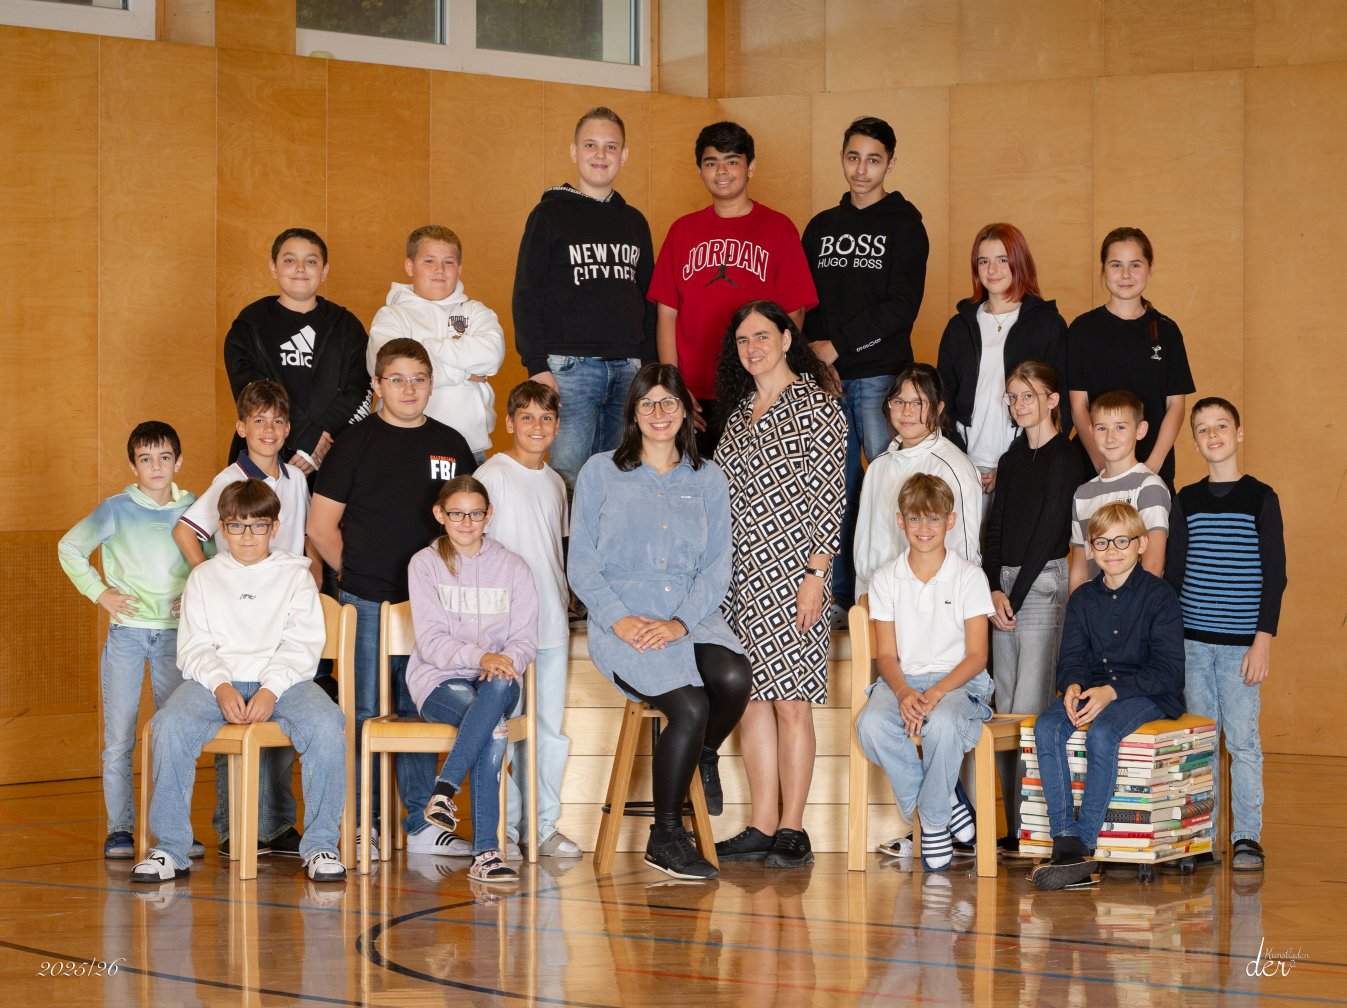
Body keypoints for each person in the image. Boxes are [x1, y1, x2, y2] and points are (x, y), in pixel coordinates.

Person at [568, 363, 752, 880]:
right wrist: (618, 619)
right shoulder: (600, 471)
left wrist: (681, 623)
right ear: (633, 412)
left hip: (690, 615)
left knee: (734, 676)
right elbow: (581, 564)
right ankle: (665, 836)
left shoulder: (708, 477)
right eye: (647, 402)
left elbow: (717, 567)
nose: (658, 412)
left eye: (668, 401)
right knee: (690, 706)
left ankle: (703, 754)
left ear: (685, 412)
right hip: (624, 619)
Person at [308, 337, 477, 860]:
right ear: (377, 385)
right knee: (364, 712)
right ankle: (365, 823)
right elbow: (320, 526)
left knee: (419, 711)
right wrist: (358, 577)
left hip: (434, 611)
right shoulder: (354, 443)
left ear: (431, 384)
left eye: (418, 379)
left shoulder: (451, 444)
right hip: (368, 604)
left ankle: (422, 824)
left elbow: (466, 525)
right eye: (397, 380)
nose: (409, 389)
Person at [132, 479, 347, 884]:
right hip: (215, 684)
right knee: (169, 724)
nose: (247, 536)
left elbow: (302, 644)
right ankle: (171, 849)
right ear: (221, 528)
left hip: (285, 684)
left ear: (274, 527)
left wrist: (271, 689)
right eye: (236, 525)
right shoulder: (204, 577)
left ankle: (321, 846)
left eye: (258, 525)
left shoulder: (295, 575)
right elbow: (194, 645)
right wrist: (220, 685)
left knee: (327, 723)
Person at [711, 301, 846, 870]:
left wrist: (817, 573)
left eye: (762, 336)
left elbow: (830, 495)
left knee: (791, 703)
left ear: (788, 339)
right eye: (743, 340)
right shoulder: (740, 411)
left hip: (794, 574)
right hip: (740, 578)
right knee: (751, 703)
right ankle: (762, 823)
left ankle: (793, 827)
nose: (752, 348)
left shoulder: (819, 405)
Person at [173, 380, 317, 858]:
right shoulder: (229, 479)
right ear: (241, 428)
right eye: (258, 421)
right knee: (232, 712)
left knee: (280, 710)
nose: (269, 430)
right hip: (239, 615)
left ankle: (275, 825)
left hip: (284, 607)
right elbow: (186, 532)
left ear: (288, 428)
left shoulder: (297, 479)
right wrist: (213, 579)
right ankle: (234, 825)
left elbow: (304, 538)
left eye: (277, 421)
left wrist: (311, 580)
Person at [802, 115, 929, 613]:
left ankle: (890, 596)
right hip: (827, 379)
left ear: (890, 164)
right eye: (853, 157)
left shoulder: (905, 225)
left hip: (881, 376)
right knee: (834, 490)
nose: (861, 169)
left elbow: (901, 308)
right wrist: (818, 361)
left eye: (873, 160)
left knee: (889, 487)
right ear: (842, 158)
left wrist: (838, 348)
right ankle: (837, 595)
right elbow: (807, 305)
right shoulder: (821, 227)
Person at [57, 421, 197, 861]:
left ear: (178, 461)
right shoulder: (116, 509)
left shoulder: (194, 509)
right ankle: (120, 829)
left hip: (175, 637)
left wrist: (194, 595)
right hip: (127, 635)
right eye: (145, 459)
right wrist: (100, 593)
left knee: (174, 735)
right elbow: (69, 547)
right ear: (133, 466)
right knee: (119, 738)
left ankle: (172, 831)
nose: (156, 467)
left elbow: (213, 563)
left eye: (164, 457)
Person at [1029, 501, 1185, 891]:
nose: (1112, 550)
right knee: (1046, 726)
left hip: (1146, 692)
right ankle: (1065, 841)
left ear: (1141, 544)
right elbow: (1071, 657)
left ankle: (1085, 844)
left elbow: (1168, 670)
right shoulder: (1083, 598)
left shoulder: (1160, 596)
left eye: (1122, 541)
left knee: (1102, 734)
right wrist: (1073, 685)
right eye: (1102, 542)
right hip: (1094, 689)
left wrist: (1111, 692)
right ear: (1090, 549)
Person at [1166, 398, 1286, 872]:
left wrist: (1263, 640)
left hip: (1241, 648)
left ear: (1238, 433)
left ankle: (1246, 837)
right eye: (1202, 429)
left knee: (1242, 743)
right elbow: (1175, 574)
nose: (1212, 434)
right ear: (1194, 442)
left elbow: (1274, 575)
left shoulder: (1261, 498)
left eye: (1221, 426)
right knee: (1199, 742)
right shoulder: (1187, 500)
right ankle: (1199, 838)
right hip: (1192, 644)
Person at [648, 121, 818, 456]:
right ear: (700, 170)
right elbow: (667, 313)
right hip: (694, 393)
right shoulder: (682, 231)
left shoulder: (779, 228)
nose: (721, 171)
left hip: (755, 386)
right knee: (692, 477)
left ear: (750, 166)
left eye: (732, 161)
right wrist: (673, 384)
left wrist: (770, 379)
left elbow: (794, 312)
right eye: (711, 162)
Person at [854, 473, 994, 872]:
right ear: (901, 521)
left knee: (943, 724)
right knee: (871, 725)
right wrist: (902, 693)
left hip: (959, 680)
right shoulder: (885, 579)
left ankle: (931, 824)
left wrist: (934, 694)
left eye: (933, 519)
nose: (924, 528)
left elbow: (976, 656)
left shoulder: (969, 576)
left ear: (950, 521)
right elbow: (886, 655)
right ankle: (946, 800)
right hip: (904, 680)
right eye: (915, 519)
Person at [512, 106, 655, 493]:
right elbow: (527, 293)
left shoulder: (634, 222)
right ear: (574, 152)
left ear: (624, 155)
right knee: (568, 476)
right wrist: (537, 365)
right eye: (591, 145)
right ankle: (567, 538)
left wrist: (649, 367)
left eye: (611, 146)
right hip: (569, 368)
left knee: (623, 475)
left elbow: (648, 300)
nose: (600, 155)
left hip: (628, 369)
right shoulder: (548, 215)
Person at [406, 476, 539, 883]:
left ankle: (444, 790)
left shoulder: (514, 567)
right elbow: (431, 642)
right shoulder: (425, 564)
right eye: (457, 514)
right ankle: (487, 853)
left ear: (488, 515)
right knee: (493, 728)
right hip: (439, 680)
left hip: (499, 679)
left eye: (475, 514)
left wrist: (501, 661)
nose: (466, 523)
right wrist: (481, 656)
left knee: (496, 692)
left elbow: (525, 639)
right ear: (440, 514)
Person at [475, 381, 579, 859]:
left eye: (546, 418)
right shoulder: (492, 475)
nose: (537, 426)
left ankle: (542, 825)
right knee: (504, 728)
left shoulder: (556, 483)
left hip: (551, 624)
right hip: (502, 631)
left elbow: (553, 551)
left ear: (557, 425)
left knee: (548, 731)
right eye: (527, 417)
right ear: (509, 422)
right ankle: (506, 826)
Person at [982, 361, 1079, 847]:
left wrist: (1013, 597)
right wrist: (993, 589)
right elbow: (995, 528)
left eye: (1028, 395)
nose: (1019, 405)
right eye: (1013, 397)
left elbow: (1048, 532)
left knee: (1030, 709)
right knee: (1004, 711)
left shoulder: (1066, 457)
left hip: (1040, 586)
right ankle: (1014, 828)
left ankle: (1034, 827)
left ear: (1053, 399)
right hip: (1004, 589)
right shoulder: (1012, 458)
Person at [222, 227, 371, 474]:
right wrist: (306, 437)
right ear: (274, 268)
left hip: (332, 456)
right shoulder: (249, 325)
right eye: (290, 260)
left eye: (311, 261)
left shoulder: (347, 326)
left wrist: (320, 443)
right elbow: (250, 391)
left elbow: (360, 390)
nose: (300, 268)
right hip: (264, 455)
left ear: (324, 271)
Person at [937, 223, 1067, 499]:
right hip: (964, 463)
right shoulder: (959, 326)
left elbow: (1059, 401)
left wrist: (1014, 461)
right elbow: (943, 398)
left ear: (1019, 262)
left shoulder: (1048, 324)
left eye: (1002, 260)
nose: (992, 269)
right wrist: (958, 459)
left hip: (1025, 460)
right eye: (983, 261)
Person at [1068, 227, 1195, 489]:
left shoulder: (1166, 331)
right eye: (1116, 265)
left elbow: (1176, 406)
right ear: (1103, 269)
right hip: (1094, 471)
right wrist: (1103, 468)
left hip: (1152, 468)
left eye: (1135, 265)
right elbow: (1079, 405)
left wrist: (1150, 469)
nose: (1125, 274)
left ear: (1149, 269)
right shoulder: (1082, 329)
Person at [367, 225, 504, 461]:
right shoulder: (391, 316)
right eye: (429, 261)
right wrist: (465, 372)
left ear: (459, 269)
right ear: (410, 266)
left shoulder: (476, 312)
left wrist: (427, 347)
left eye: (448, 262)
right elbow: (389, 372)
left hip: (470, 448)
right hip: (402, 445)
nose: (439, 269)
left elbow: (491, 356)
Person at [854, 363, 982, 598]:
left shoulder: (954, 468)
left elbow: (964, 553)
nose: (906, 412)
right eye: (899, 402)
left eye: (918, 403)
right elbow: (865, 546)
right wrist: (864, 598)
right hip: (877, 600)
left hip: (929, 602)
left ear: (939, 407)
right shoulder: (878, 467)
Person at [1068, 390, 1170, 592]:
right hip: (1093, 605)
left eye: (1120, 427)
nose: (1110, 437)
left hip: (1134, 605)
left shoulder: (1149, 486)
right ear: (1091, 431)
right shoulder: (1082, 494)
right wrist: (1076, 607)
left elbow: (1153, 565)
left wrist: (1131, 607)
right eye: (1102, 428)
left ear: (1140, 430)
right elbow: (1080, 568)